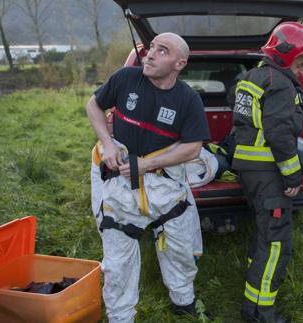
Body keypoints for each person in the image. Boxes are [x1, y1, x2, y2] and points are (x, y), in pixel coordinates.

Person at [86, 32, 211, 323]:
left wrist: (146, 165)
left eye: (161, 51)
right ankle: (120, 317)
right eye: (150, 47)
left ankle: (184, 302)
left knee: (179, 250)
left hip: (166, 187)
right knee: (118, 262)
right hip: (118, 185)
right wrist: (107, 142)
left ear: (180, 63)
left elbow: (193, 148)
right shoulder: (125, 78)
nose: (150, 54)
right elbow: (93, 105)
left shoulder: (188, 99)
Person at [232, 22, 303, 323]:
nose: (302, 69)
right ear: (285, 54)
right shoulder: (280, 83)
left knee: (262, 236)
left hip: (247, 170)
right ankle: (263, 312)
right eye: (300, 62)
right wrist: (293, 177)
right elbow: (280, 135)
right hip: (268, 173)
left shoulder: (251, 77)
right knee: (275, 244)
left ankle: (250, 303)